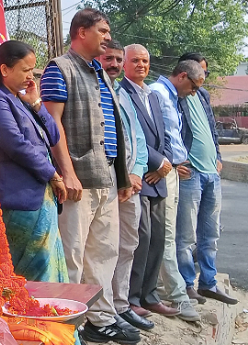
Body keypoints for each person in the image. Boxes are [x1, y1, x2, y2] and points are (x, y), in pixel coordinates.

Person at [40, 8, 136, 345]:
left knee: (104, 253)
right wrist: (67, 172)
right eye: (103, 31)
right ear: (81, 31)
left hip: (105, 179)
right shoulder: (58, 68)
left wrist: (121, 179)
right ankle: (71, 326)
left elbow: (116, 132)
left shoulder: (102, 74)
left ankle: (100, 320)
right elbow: (52, 127)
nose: (108, 38)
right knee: (73, 254)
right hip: (77, 181)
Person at [0, 40, 68, 283]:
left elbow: (54, 135)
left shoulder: (20, 100)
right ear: (5, 70)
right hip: (20, 199)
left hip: (39, 197)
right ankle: (32, 320)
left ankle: (52, 318)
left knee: (48, 264)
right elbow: (16, 144)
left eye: (32, 70)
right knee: (32, 272)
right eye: (25, 70)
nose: (31, 76)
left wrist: (36, 103)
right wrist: (53, 174)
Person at [118, 44, 177, 320]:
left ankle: (150, 295)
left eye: (145, 61)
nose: (141, 65)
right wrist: (154, 164)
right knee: (139, 239)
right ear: (124, 64)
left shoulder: (152, 95)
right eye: (135, 61)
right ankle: (131, 298)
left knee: (157, 239)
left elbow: (162, 132)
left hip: (158, 177)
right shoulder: (121, 93)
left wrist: (163, 164)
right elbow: (132, 134)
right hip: (139, 176)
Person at [97, 40, 152, 333]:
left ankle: (121, 304)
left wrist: (137, 172)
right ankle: (104, 310)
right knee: (104, 249)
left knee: (128, 245)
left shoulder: (123, 93)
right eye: (109, 58)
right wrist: (121, 176)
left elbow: (138, 141)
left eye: (119, 59)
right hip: (106, 182)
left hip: (131, 184)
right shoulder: (96, 88)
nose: (115, 64)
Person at [174, 55, 237, 305]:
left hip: (211, 173)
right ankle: (187, 284)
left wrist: (218, 156)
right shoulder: (173, 97)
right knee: (186, 236)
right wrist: (175, 161)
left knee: (210, 234)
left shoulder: (202, 96)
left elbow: (211, 129)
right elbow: (168, 131)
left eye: (205, 75)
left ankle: (208, 283)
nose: (201, 81)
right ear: (183, 73)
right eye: (198, 75)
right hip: (190, 173)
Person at [149, 60, 207, 321]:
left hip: (173, 171)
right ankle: (177, 297)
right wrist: (161, 163)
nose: (194, 93)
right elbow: (149, 137)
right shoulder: (157, 95)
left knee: (169, 235)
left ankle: (163, 289)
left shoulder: (173, 97)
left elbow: (174, 135)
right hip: (160, 173)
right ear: (182, 76)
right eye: (193, 87)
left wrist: (177, 162)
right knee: (167, 236)